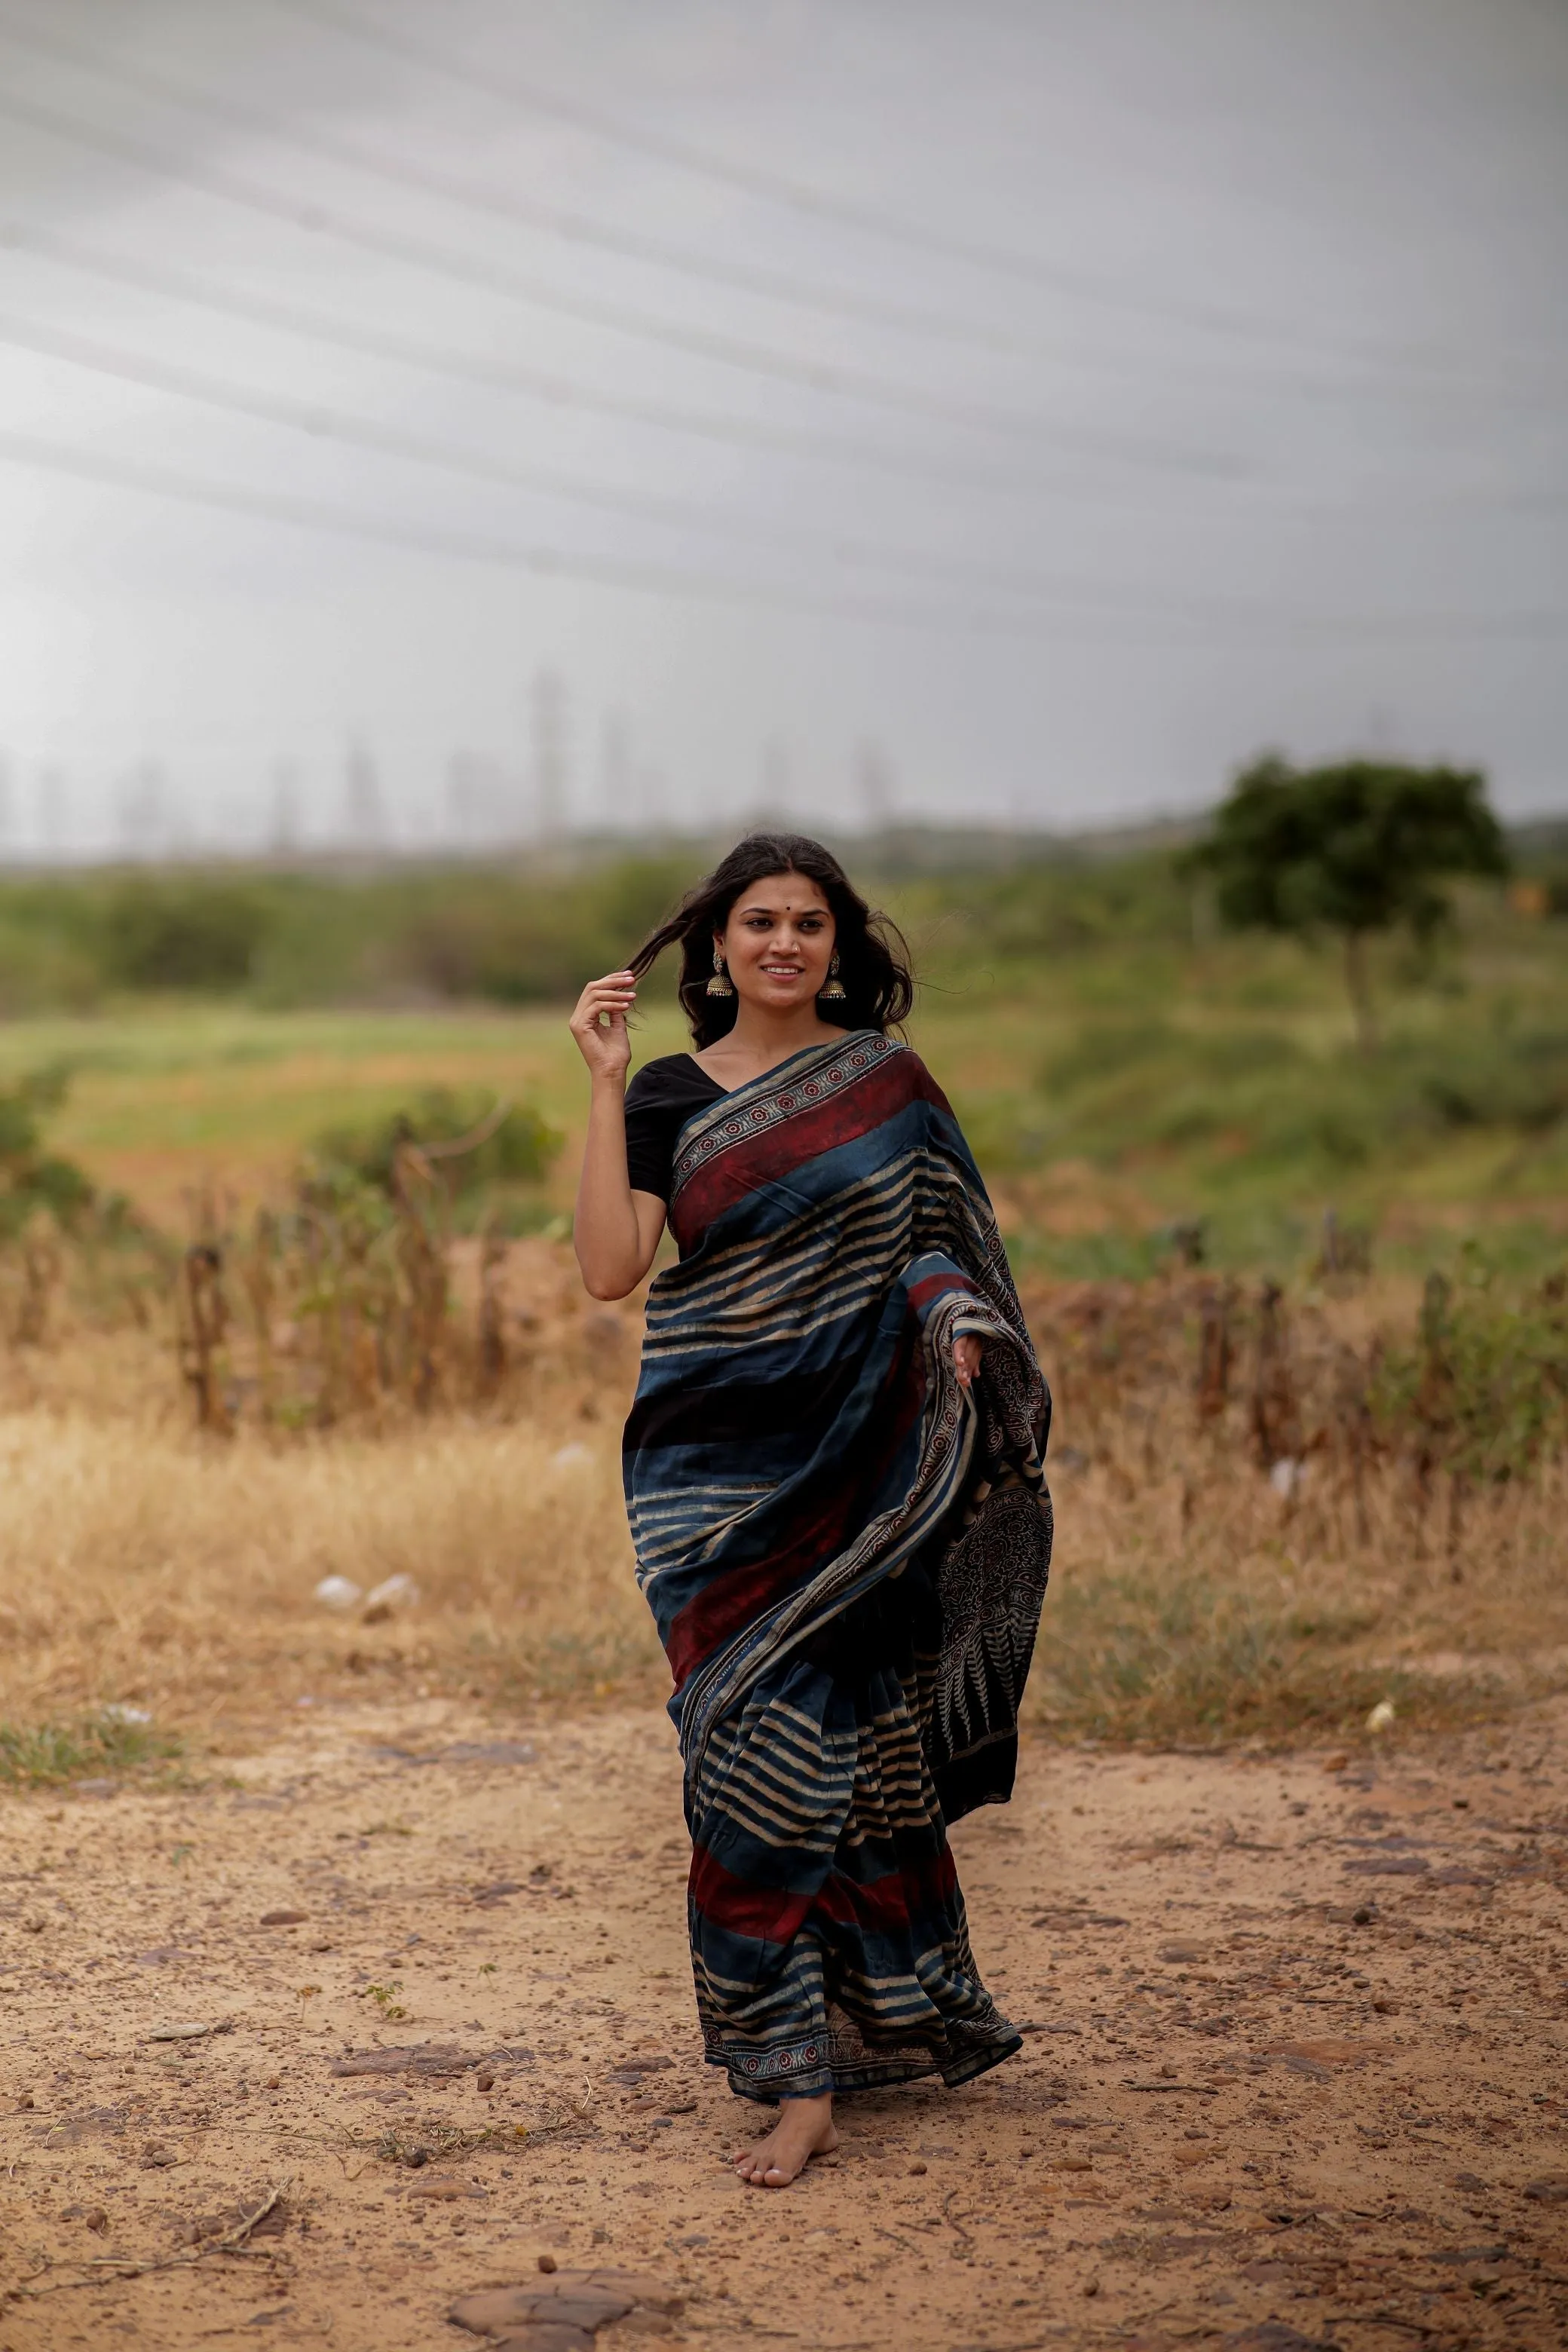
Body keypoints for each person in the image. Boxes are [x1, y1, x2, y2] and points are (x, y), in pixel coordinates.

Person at [568, 833, 1051, 2190]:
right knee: (740, 1753)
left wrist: (952, 1316)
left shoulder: (886, 1083)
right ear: (716, 946)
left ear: (842, 946)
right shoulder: (667, 1091)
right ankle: (798, 2058)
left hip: (860, 1464)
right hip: (707, 1481)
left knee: (844, 1745)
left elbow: (943, 1240)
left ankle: (819, 2067)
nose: (785, 943)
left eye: (810, 924)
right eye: (760, 922)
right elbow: (614, 1268)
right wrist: (604, 1088)